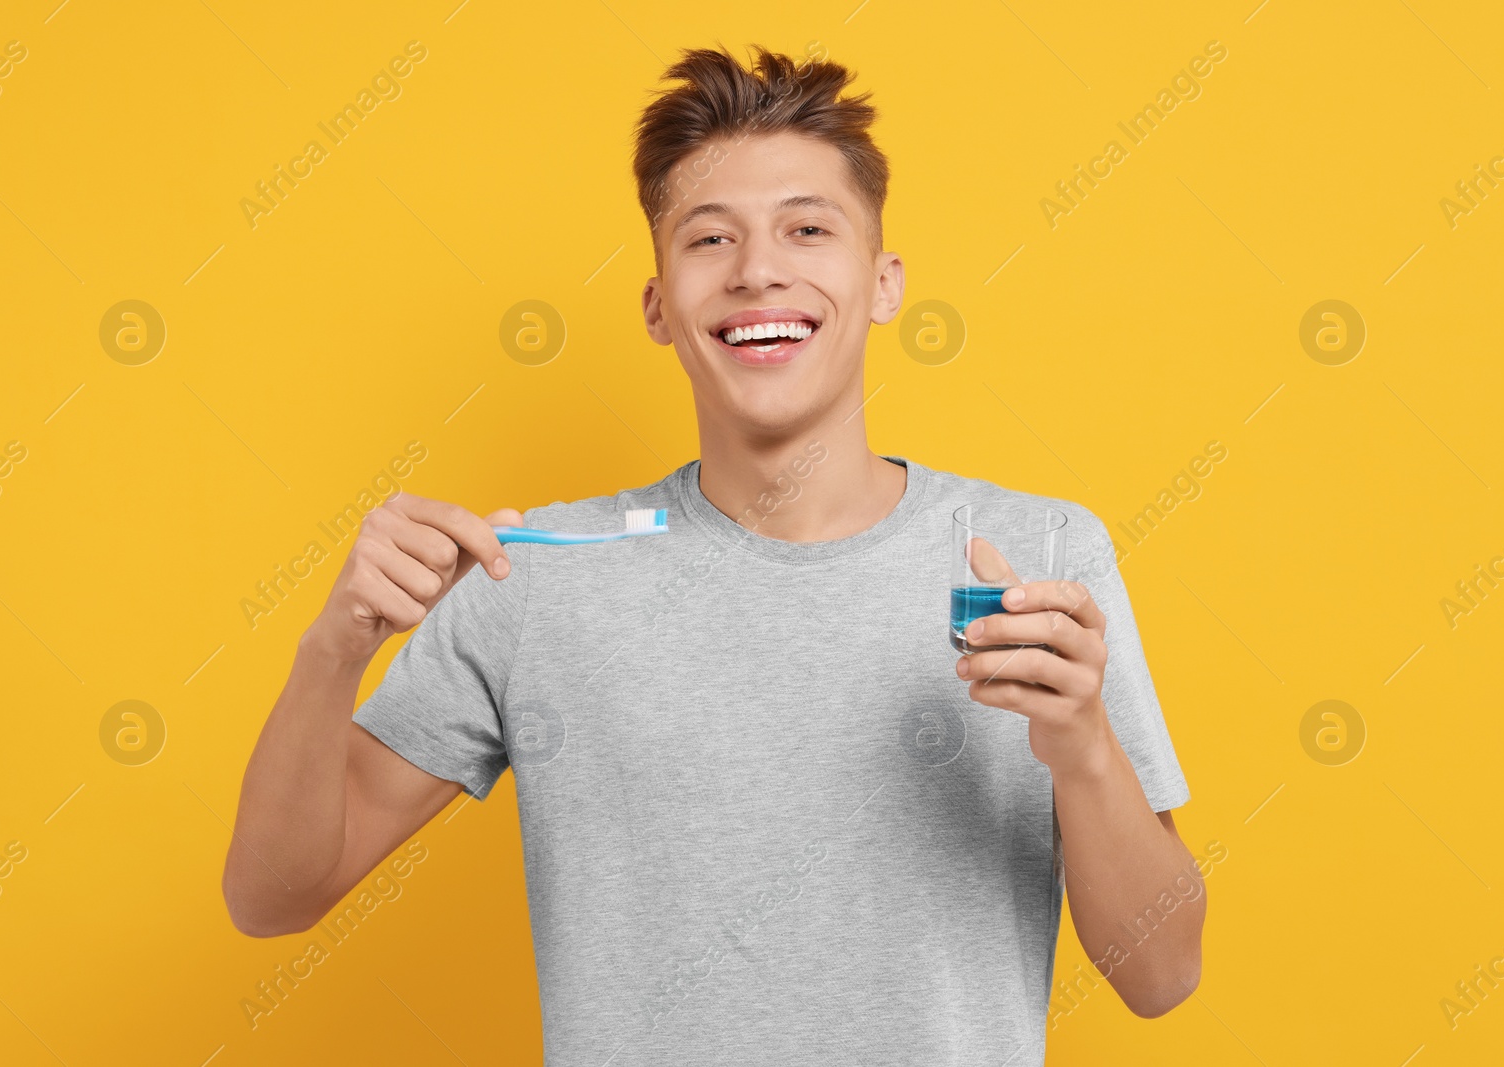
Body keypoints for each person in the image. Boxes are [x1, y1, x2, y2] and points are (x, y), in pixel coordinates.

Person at [223, 43, 1205, 1064]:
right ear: (658, 305)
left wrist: (1083, 747)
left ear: (881, 284)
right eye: (709, 239)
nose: (758, 270)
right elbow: (271, 897)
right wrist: (334, 647)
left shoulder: (1038, 560)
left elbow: (1162, 972)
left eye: (807, 228)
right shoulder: (536, 575)